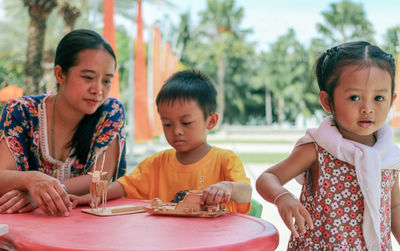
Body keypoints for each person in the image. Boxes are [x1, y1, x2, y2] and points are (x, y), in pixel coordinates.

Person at [256, 41, 400, 250]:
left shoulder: (389, 156)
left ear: (391, 100)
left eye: (379, 98)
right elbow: (267, 178)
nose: (367, 108)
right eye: (354, 97)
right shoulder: (318, 149)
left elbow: (394, 205)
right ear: (327, 101)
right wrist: (283, 197)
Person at [71, 70, 252, 213]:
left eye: (186, 123)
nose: (177, 131)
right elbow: (124, 187)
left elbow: (246, 193)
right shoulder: (156, 163)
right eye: (167, 124)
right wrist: (91, 197)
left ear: (211, 121)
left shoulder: (225, 160)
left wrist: (228, 187)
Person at [0, 29, 126, 217]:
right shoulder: (21, 111)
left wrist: (39, 194)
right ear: (60, 74)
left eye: (107, 81)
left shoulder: (110, 112)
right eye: (88, 77)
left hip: (89, 229)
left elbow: (101, 178)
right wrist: (31, 180)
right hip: (25, 227)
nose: (98, 90)